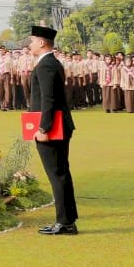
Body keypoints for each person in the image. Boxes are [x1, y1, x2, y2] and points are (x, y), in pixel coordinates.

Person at [27, 26, 78, 235]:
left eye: (32, 41)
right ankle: (67, 221)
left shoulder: (46, 65)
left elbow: (49, 99)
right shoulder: (50, 63)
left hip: (52, 128)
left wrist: (43, 128)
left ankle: (64, 222)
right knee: (61, 174)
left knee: (57, 175)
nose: (29, 45)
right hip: (58, 126)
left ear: (41, 43)